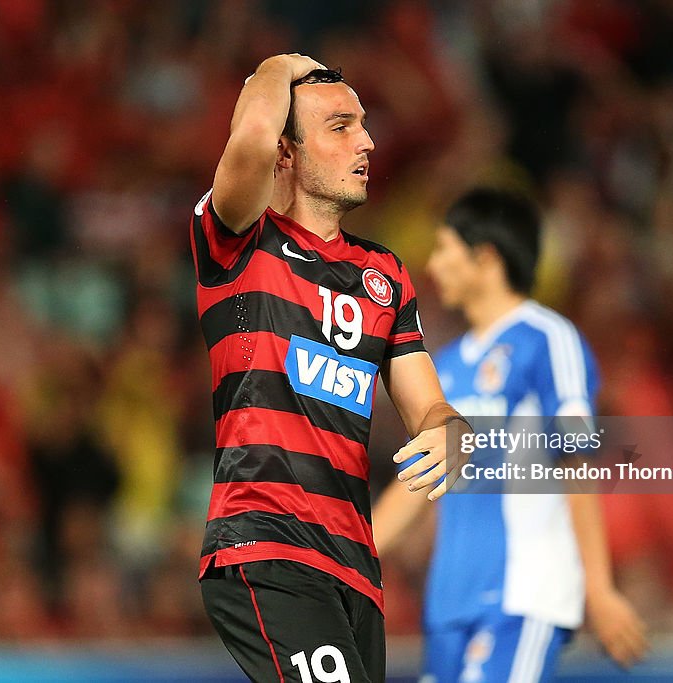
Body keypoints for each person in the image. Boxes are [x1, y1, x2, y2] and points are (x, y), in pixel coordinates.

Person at [190, 53, 469, 683]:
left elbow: (427, 403)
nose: (367, 142)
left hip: (354, 567)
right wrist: (278, 66)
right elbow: (254, 134)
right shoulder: (240, 239)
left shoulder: (386, 274)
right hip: (267, 545)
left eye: (363, 125)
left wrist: (450, 429)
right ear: (287, 154)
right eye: (340, 126)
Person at [373, 189, 649, 682]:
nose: (432, 267)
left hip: (521, 597)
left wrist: (599, 589)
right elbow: (419, 481)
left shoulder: (548, 340)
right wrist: (348, 552)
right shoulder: (447, 366)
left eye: (443, 249)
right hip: (449, 606)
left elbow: (576, 461)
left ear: (485, 256)